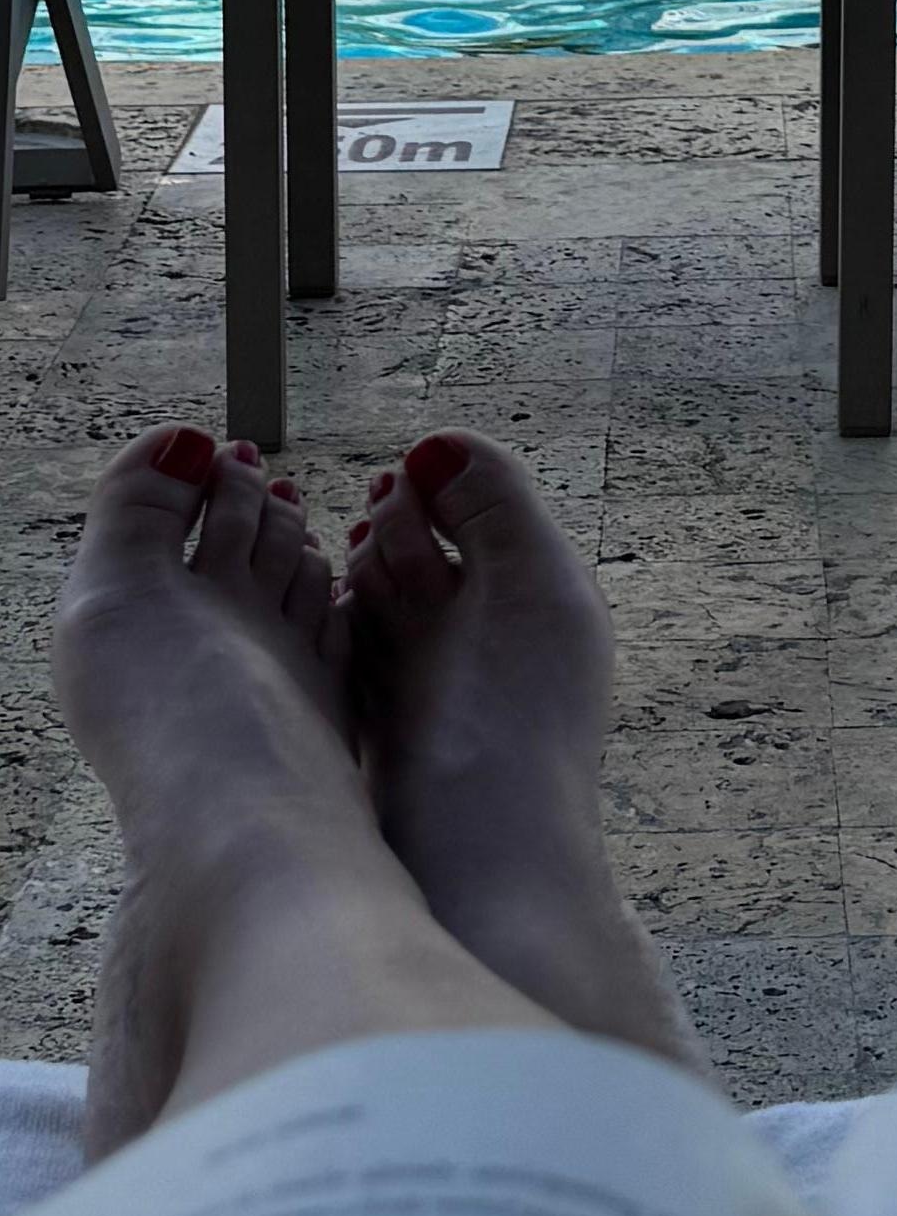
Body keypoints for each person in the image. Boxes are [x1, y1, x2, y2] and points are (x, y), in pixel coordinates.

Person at [51, 421, 703, 1153]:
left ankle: (244, 850)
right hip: (638, 1201)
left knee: (264, 884)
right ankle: (505, 866)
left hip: (240, 1208)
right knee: (526, 907)